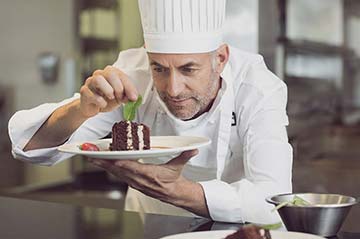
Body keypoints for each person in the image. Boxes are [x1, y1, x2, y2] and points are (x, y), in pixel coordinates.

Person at [8, 0, 292, 224]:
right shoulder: (133, 75)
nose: (173, 88)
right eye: (159, 68)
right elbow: (30, 146)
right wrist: (80, 110)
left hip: (236, 231)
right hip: (149, 227)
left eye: (188, 69)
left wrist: (178, 191)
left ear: (220, 58)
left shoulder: (257, 87)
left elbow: (274, 199)